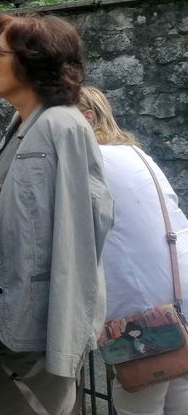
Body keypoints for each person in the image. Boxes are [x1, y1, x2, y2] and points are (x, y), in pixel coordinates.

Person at [0, 14, 113, 415]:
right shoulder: (25, 123)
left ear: (32, 60)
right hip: (18, 325)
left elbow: (76, 240)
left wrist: (63, 349)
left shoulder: (61, 128)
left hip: (40, 334)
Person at [78, 86, 188, 415]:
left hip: (144, 304)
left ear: (87, 118)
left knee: (138, 394)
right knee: (179, 384)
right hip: (177, 290)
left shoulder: (91, 160)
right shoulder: (137, 155)